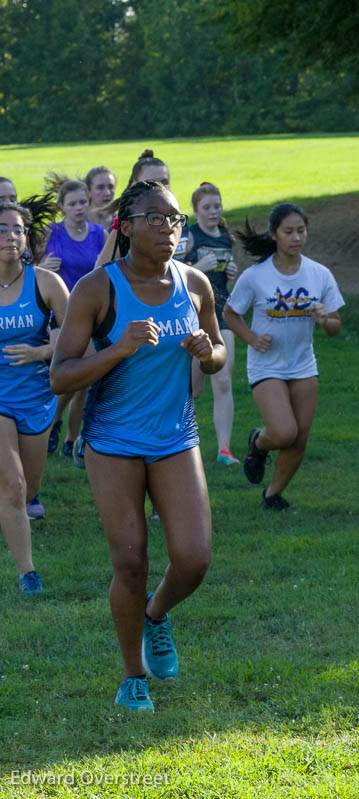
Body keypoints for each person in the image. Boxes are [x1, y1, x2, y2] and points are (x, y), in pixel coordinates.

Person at [50, 179, 225, 711]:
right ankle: (133, 677)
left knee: (193, 559)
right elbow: (61, 376)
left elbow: (217, 351)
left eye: (174, 220)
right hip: (112, 441)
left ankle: (155, 614)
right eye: (156, 218)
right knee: (130, 563)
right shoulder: (97, 289)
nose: (169, 229)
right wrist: (119, 349)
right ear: (126, 227)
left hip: (175, 436)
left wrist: (207, 353)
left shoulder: (194, 284)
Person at [226, 203, 343, 510]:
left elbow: (335, 327)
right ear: (274, 234)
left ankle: (272, 494)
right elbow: (230, 313)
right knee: (283, 431)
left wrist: (324, 320)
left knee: (299, 439)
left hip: (303, 365)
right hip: (266, 365)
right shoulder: (255, 276)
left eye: (301, 231)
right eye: (288, 231)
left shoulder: (319, 274)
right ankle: (259, 442)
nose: (296, 237)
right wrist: (251, 338)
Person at [0, 196, 68, 592]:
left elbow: (80, 340)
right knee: (13, 486)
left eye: (18, 229)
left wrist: (42, 351)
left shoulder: (45, 282)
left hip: (38, 399)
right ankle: (28, 572)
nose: (10, 236)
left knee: (29, 488)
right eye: (3, 229)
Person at [42, 175, 106, 464]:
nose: (79, 207)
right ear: (61, 208)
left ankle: (68, 436)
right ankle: (57, 425)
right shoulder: (52, 233)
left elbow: (106, 268)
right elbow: (28, 268)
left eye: (83, 202)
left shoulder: (98, 234)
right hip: (62, 313)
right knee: (82, 375)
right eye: (73, 203)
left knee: (86, 379)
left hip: (94, 311)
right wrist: (42, 266)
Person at [181, 182, 239, 465]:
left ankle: (224, 450)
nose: (213, 211)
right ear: (196, 210)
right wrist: (197, 268)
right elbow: (172, 271)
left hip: (222, 311)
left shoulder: (226, 237)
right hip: (195, 314)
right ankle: (182, 441)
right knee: (193, 387)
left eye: (217, 206)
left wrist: (232, 272)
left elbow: (229, 279)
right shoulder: (189, 236)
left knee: (224, 378)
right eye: (207, 207)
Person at [95, 150, 171, 267]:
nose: (160, 189)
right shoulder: (128, 224)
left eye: (164, 183)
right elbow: (100, 271)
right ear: (134, 186)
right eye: (151, 183)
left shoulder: (178, 220)